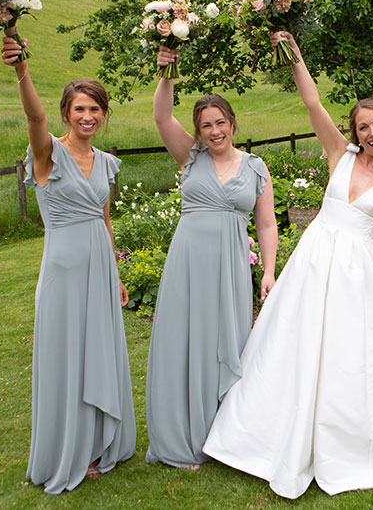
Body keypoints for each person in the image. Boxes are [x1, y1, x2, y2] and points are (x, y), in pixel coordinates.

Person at [203, 31, 373, 498]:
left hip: (357, 272)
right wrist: (294, 55)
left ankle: (351, 443)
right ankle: (266, 435)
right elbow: (312, 102)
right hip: (314, 262)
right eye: (363, 127)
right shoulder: (339, 155)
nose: (371, 133)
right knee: (293, 342)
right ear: (355, 132)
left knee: (350, 355)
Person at [1, 37, 136, 494]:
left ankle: (97, 442)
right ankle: (69, 447)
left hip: (99, 268)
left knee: (99, 349)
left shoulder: (106, 163)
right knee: (67, 355)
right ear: (66, 113)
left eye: (95, 109)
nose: (87, 117)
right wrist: (21, 70)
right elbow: (34, 119)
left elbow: (105, 220)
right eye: (80, 109)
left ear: (103, 114)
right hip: (62, 270)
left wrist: (116, 273)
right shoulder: (47, 154)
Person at [145, 46, 278, 471]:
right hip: (188, 263)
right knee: (183, 341)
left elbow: (267, 224)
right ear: (199, 132)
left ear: (232, 123)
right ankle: (181, 435)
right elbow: (162, 116)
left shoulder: (255, 167)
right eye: (206, 125)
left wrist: (269, 271)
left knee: (228, 342)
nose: (215, 131)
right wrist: (167, 71)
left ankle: (226, 435)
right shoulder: (191, 158)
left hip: (230, 266)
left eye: (220, 122)